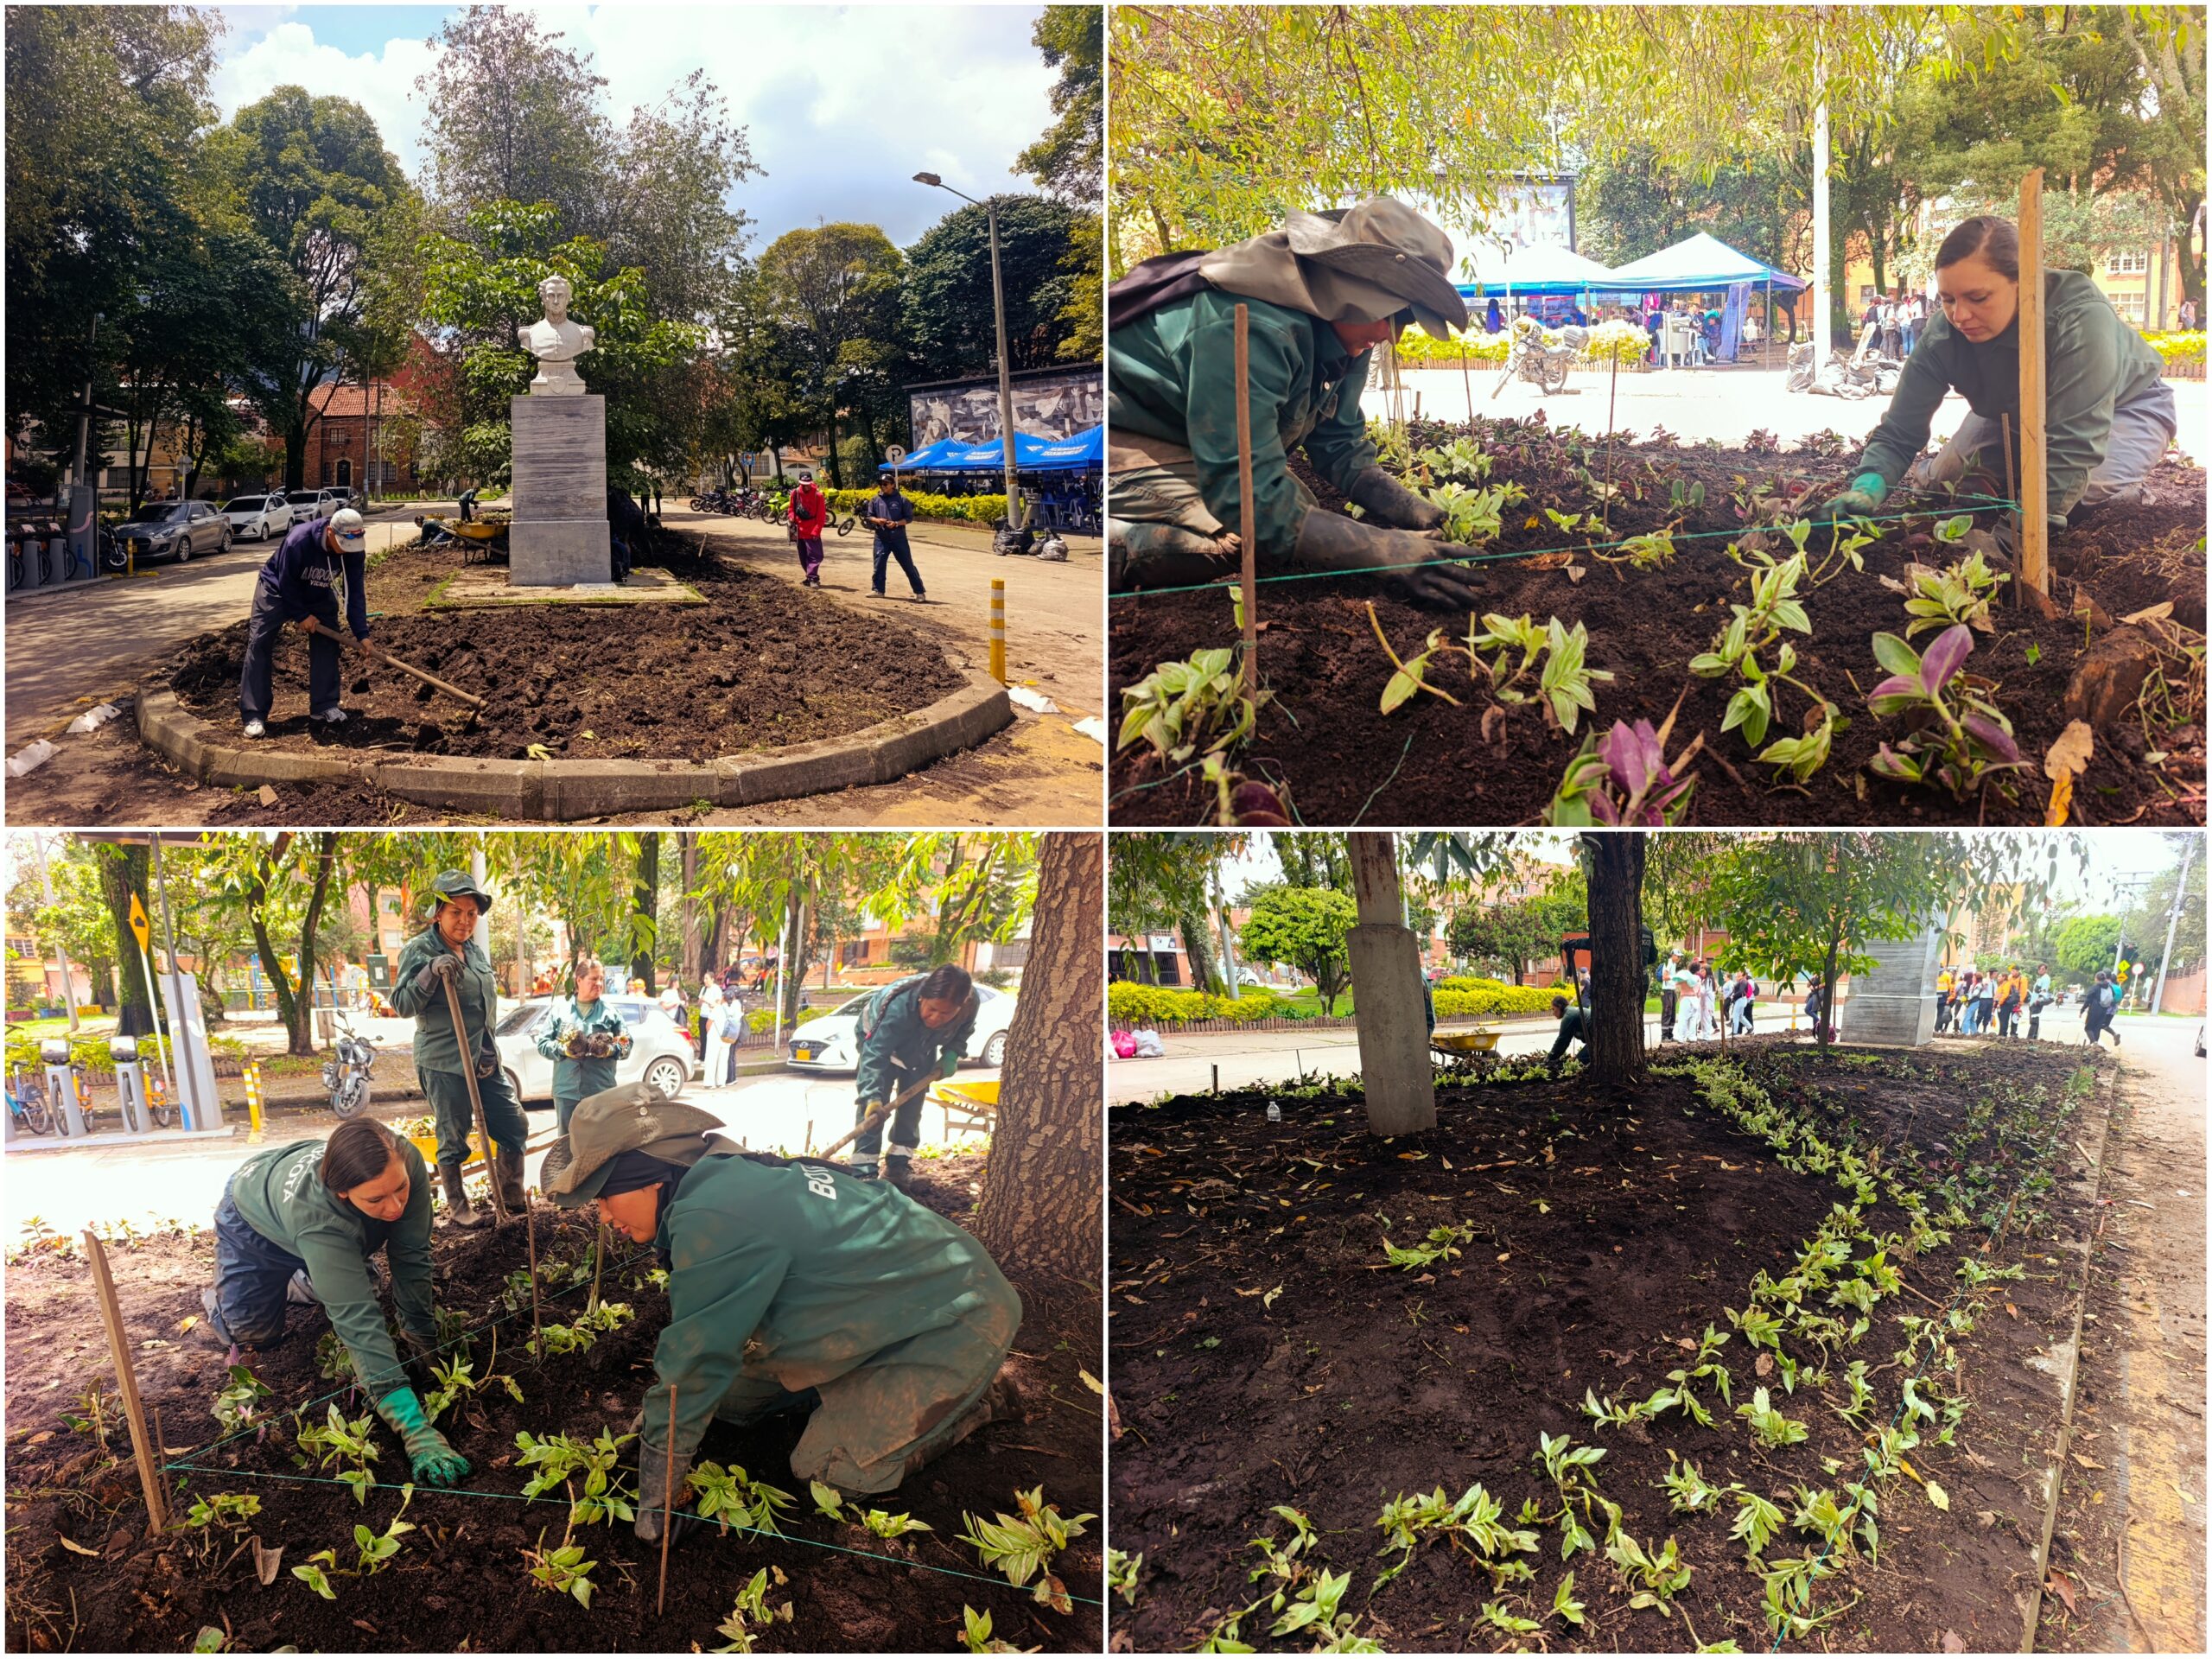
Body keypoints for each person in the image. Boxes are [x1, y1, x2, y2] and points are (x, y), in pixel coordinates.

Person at [544, 1084, 1023, 1528]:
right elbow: (703, 1352)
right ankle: (850, 1389)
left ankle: (977, 1402)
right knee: (735, 1404)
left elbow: (695, 1361)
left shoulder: (715, 1216)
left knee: (829, 1474)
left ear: (649, 1179)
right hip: (874, 1310)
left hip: (954, 1316)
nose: (604, 1216)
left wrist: (657, 1490)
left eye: (606, 1196)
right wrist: (660, 1423)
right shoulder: (713, 1175)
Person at [1107, 198, 1490, 609]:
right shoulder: (1250, 325)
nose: (1393, 336)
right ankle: (1114, 545)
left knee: (1300, 516)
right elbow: (1244, 495)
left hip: (1201, 435)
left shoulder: (1346, 332)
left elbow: (1338, 442)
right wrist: (1384, 551)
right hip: (1129, 438)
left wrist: (1414, 511)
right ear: (1356, 293)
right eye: (1396, 317)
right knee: (1248, 538)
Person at [1827, 216, 2176, 529]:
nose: (1959, 315)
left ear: (2024, 284)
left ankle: (2126, 492)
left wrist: (2015, 539)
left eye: (1977, 298)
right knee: (1944, 486)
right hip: (2013, 416)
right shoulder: (1943, 336)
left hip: (2124, 409)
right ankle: (2019, 480)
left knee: (2077, 498)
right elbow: (1900, 431)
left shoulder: (2080, 316)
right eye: (1948, 299)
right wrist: (1867, 489)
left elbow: (2075, 440)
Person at [197, 1119, 469, 1488]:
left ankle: (324, 1272)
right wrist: (415, 1430)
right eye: (376, 1199)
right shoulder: (319, 1220)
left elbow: (412, 1257)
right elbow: (357, 1324)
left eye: (400, 1189)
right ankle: (244, 1290)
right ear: (343, 1193)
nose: (394, 1207)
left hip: (314, 1225)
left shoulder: (402, 1160)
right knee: (252, 1334)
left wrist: (422, 1339)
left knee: (358, 1283)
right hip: (252, 1222)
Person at [391, 871, 530, 1230]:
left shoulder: (474, 951)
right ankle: (459, 1208)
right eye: (457, 912)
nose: (465, 921)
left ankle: (510, 1196)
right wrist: (429, 973)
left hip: (484, 1058)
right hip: (445, 1061)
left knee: (514, 1123)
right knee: (453, 1136)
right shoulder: (418, 949)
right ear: (438, 913)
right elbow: (402, 1004)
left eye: (471, 913)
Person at [238, 505, 371, 739]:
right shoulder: (298, 539)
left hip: (318, 592)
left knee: (328, 641)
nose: (346, 552)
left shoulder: (354, 551)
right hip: (276, 589)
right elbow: (286, 581)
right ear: (330, 532)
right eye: (343, 545)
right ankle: (254, 714)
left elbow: (355, 593)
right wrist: (301, 616)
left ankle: (324, 706)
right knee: (259, 642)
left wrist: (362, 635)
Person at [849, 963, 977, 1189]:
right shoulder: (898, 1008)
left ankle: (898, 1166)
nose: (936, 1017)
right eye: (931, 1009)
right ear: (921, 998)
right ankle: (863, 1174)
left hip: (921, 1045)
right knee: (874, 1111)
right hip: (879, 1044)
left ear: (960, 1006)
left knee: (913, 1105)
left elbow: (964, 1030)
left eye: (945, 1013)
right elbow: (875, 1054)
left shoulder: (969, 1002)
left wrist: (953, 1053)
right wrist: (871, 1096)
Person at [534, 954, 632, 1170]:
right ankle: (568, 1192)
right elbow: (542, 1044)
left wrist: (609, 1050)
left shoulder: (610, 1013)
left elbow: (626, 1043)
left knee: (602, 1143)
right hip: (567, 1090)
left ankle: (600, 1192)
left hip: (600, 1089)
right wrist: (564, 1049)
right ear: (578, 981)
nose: (598, 984)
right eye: (593, 979)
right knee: (566, 1145)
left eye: (601, 979)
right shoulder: (560, 1011)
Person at [865, 474, 925, 601]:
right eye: (881, 484)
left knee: (907, 565)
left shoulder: (903, 500)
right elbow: (869, 516)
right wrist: (877, 520)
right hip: (881, 537)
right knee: (879, 564)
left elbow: (909, 518)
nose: (882, 486)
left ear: (892, 485)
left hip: (898, 538)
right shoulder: (875, 500)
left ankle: (919, 592)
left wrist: (896, 523)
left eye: (885, 484)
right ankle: (878, 590)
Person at [787, 470, 829, 587]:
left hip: (812, 531)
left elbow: (821, 516)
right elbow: (791, 510)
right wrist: (791, 518)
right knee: (803, 556)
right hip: (799, 530)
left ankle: (813, 578)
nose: (806, 486)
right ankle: (810, 577)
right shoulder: (795, 494)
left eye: (808, 484)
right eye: (803, 484)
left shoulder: (818, 496)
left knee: (816, 555)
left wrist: (816, 531)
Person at [1545, 994, 1587, 1074]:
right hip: (1596, 1039)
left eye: (1553, 1009)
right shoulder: (1571, 1011)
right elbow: (1566, 1041)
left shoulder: (1568, 1016)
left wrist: (1549, 1059)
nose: (1553, 1013)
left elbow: (1562, 1041)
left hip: (1598, 1040)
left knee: (1578, 1064)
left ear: (1560, 1006)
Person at [1657, 953, 1680, 1045]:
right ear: (1673, 955)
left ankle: (1670, 1035)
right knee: (1667, 1012)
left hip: (1672, 990)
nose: (1679, 958)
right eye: (1678, 956)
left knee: (1673, 1014)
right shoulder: (1669, 963)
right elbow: (1665, 977)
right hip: (1667, 991)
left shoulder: (1674, 964)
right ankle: (1664, 1036)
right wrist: (1674, 977)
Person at [1997, 966, 2024, 1038]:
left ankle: (2013, 1033)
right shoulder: (2009, 978)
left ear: (2018, 971)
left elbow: (2023, 991)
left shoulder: (2023, 979)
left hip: (2016, 1001)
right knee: (2005, 1018)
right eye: (2011, 971)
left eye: (2014, 971)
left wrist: (2020, 1002)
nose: (2012, 973)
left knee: (2014, 1018)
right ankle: (2003, 1033)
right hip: (2008, 1001)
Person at [1935, 964, 1955, 1033]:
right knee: (1940, 1014)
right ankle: (1936, 1028)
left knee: (1933, 1013)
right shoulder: (1947, 975)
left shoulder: (1933, 973)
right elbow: (1949, 986)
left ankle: (1935, 1028)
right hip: (1942, 998)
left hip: (1933, 997)